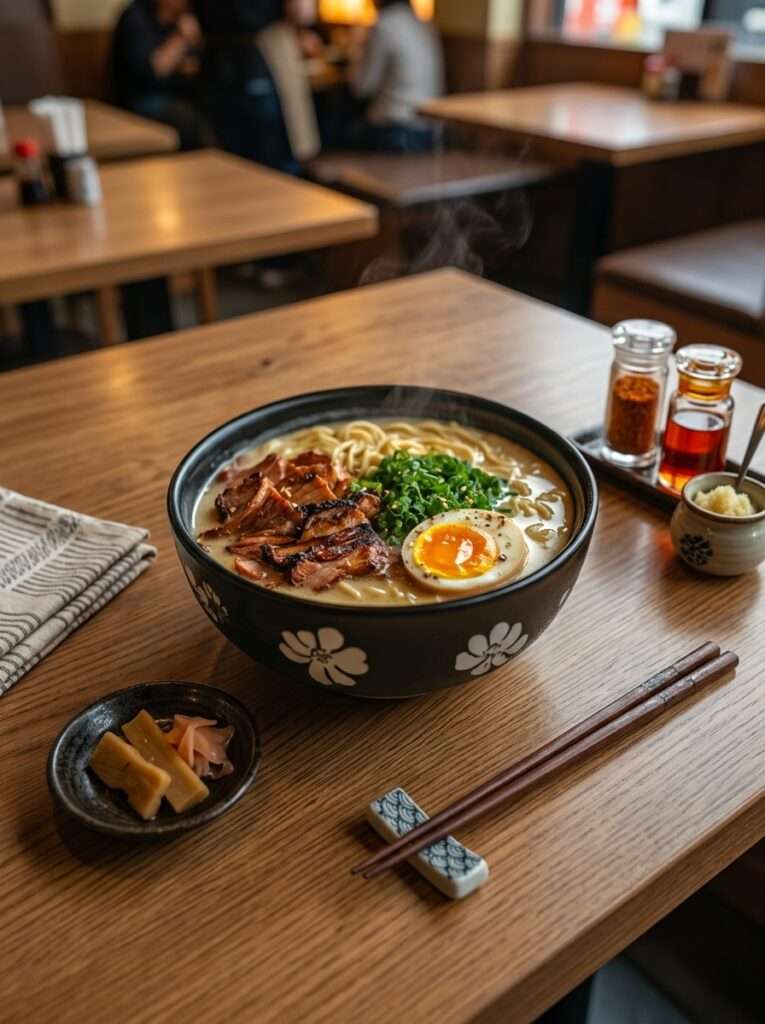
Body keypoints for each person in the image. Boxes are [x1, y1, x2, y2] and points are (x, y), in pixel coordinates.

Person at [194, 0, 319, 176]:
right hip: (263, 57)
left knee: (226, 159)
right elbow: (302, 11)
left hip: (213, 61)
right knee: (275, 157)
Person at [347, 0, 444, 153]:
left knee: (338, 127)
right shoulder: (424, 23)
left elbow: (361, 88)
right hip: (430, 132)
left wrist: (354, 51)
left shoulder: (384, 25)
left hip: (397, 131)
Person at [111, 0, 209, 151]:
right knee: (187, 119)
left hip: (179, 95)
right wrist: (182, 38)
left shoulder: (185, 17)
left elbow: (194, 65)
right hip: (141, 97)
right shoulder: (136, 16)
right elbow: (154, 70)